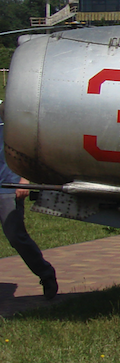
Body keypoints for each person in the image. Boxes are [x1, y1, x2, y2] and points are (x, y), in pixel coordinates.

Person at [0, 115, 56, 299]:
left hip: (7, 186)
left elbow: (28, 146)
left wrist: (24, 179)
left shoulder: (7, 115)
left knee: (16, 237)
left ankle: (46, 273)